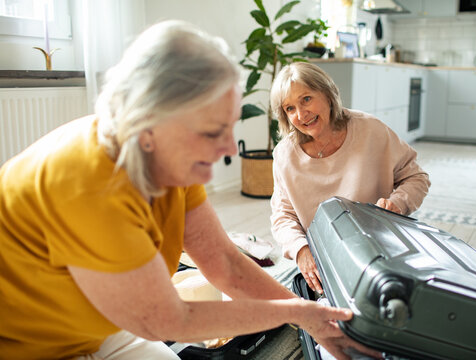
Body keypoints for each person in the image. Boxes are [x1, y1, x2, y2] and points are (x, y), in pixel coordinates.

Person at [0, 21, 382, 360]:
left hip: (98, 323)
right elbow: (166, 318)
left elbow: (225, 264)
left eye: (228, 127)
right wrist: (299, 314)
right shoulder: (88, 184)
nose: (230, 148)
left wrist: (307, 315)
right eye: (212, 132)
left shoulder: (169, 160)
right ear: (151, 122)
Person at [270, 62, 430, 294]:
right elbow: (282, 215)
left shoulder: (371, 130)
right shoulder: (285, 154)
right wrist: (301, 250)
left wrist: (398, 203)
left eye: (306, 99)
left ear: (327, 93)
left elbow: (416, 177)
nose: (301, 115)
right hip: (323, 257)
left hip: (377, 248)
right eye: (289, 108)